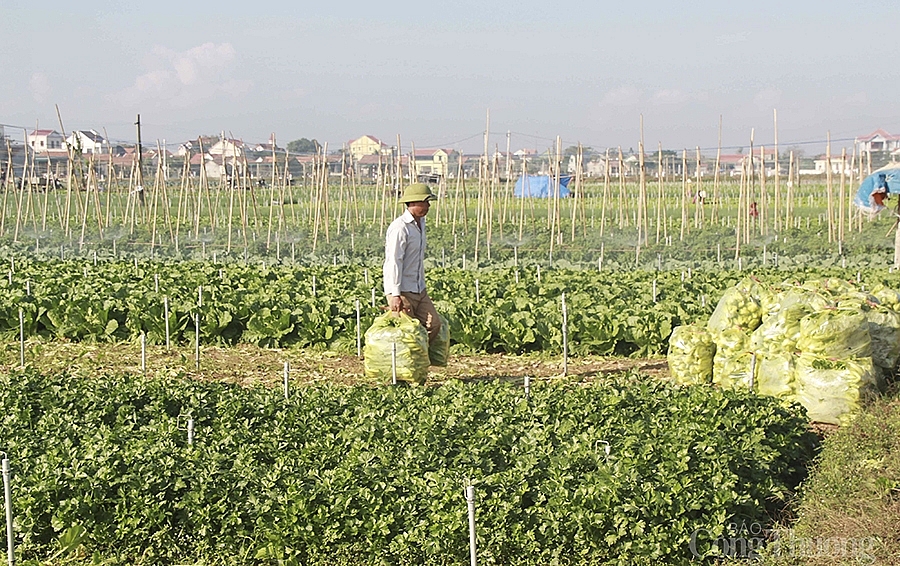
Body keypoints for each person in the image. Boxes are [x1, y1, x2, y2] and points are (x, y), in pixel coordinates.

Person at [383, 183, 441, 344]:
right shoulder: (400, 228)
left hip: (419, 288)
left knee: (433, 324)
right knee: (407, 333)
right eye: (425, 202)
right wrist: (395, 294)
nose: (428, 205)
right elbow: (394, 261)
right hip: (402, 289)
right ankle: (406, 365)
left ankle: (419, 359)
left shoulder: (421, 224)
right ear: (413, 203)